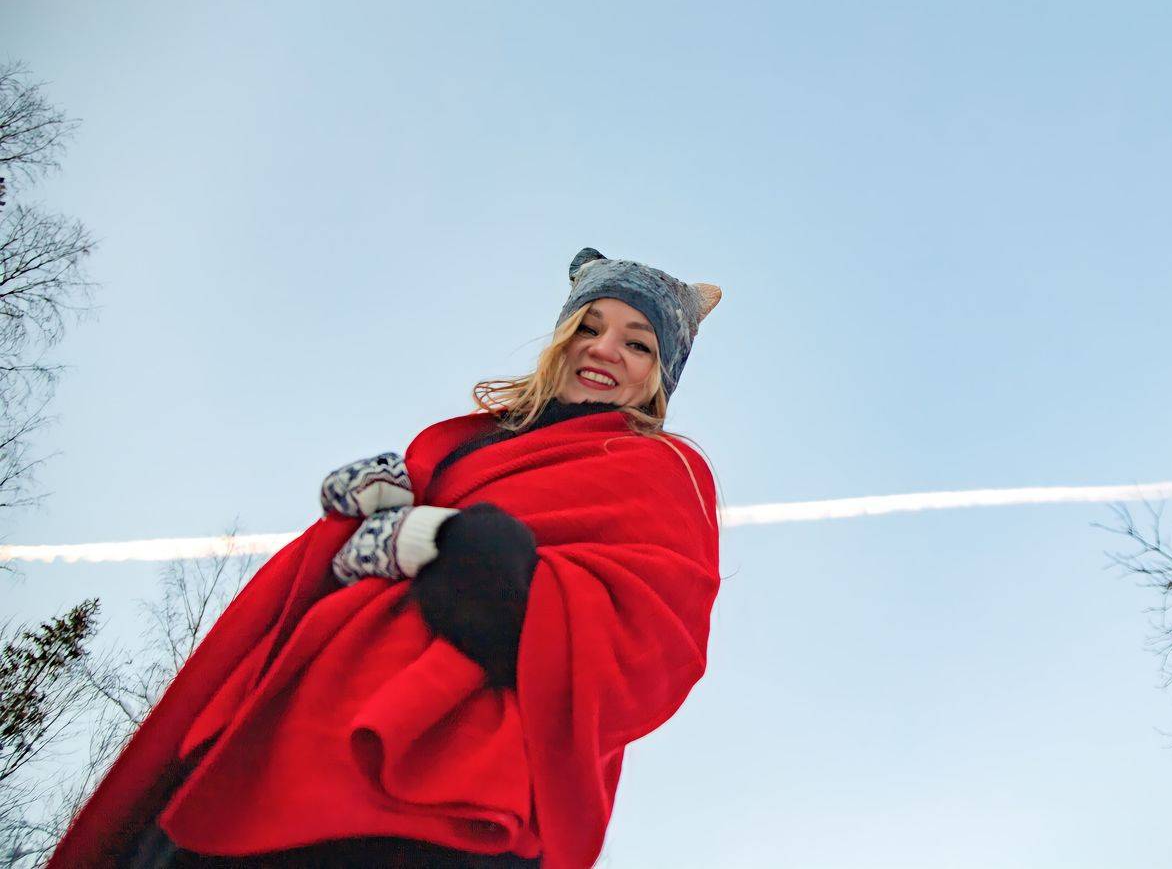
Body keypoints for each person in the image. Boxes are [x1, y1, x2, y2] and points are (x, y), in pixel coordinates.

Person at [50, 247, 723, 869]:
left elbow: (650, 647)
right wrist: (360, 526)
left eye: (638, 343)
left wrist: (456, 548)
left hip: (440, 787)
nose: (603, 349)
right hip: (284, 735)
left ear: (659, 378)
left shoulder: (661, 468)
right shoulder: (472, 444)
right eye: (588, 326)